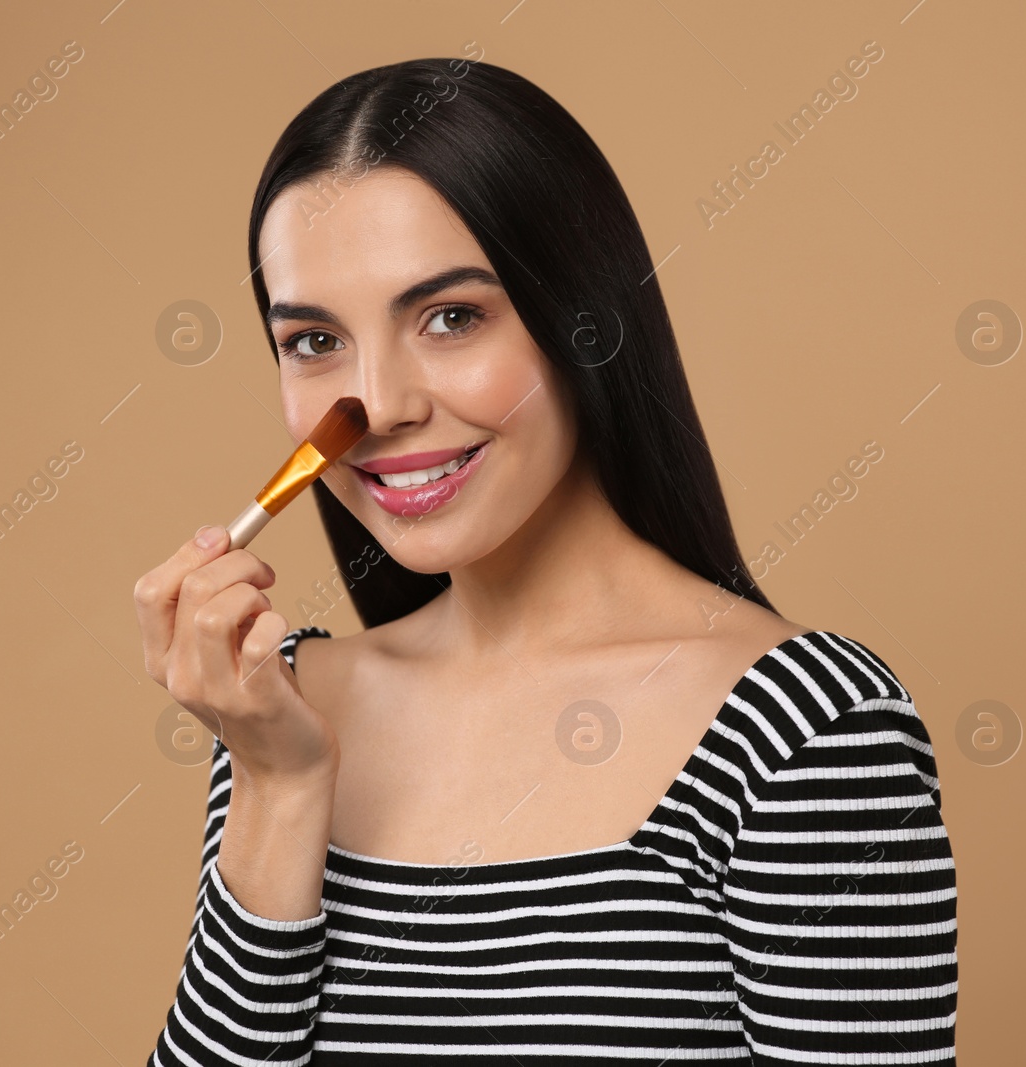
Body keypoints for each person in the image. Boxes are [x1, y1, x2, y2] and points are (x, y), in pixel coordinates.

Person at [136, 57, 957, 1064]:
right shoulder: (281, 711)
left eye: (449, 317)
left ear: (584, 321)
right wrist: (277, 785)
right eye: (313, 340)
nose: (379, 403)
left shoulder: (803, 728)